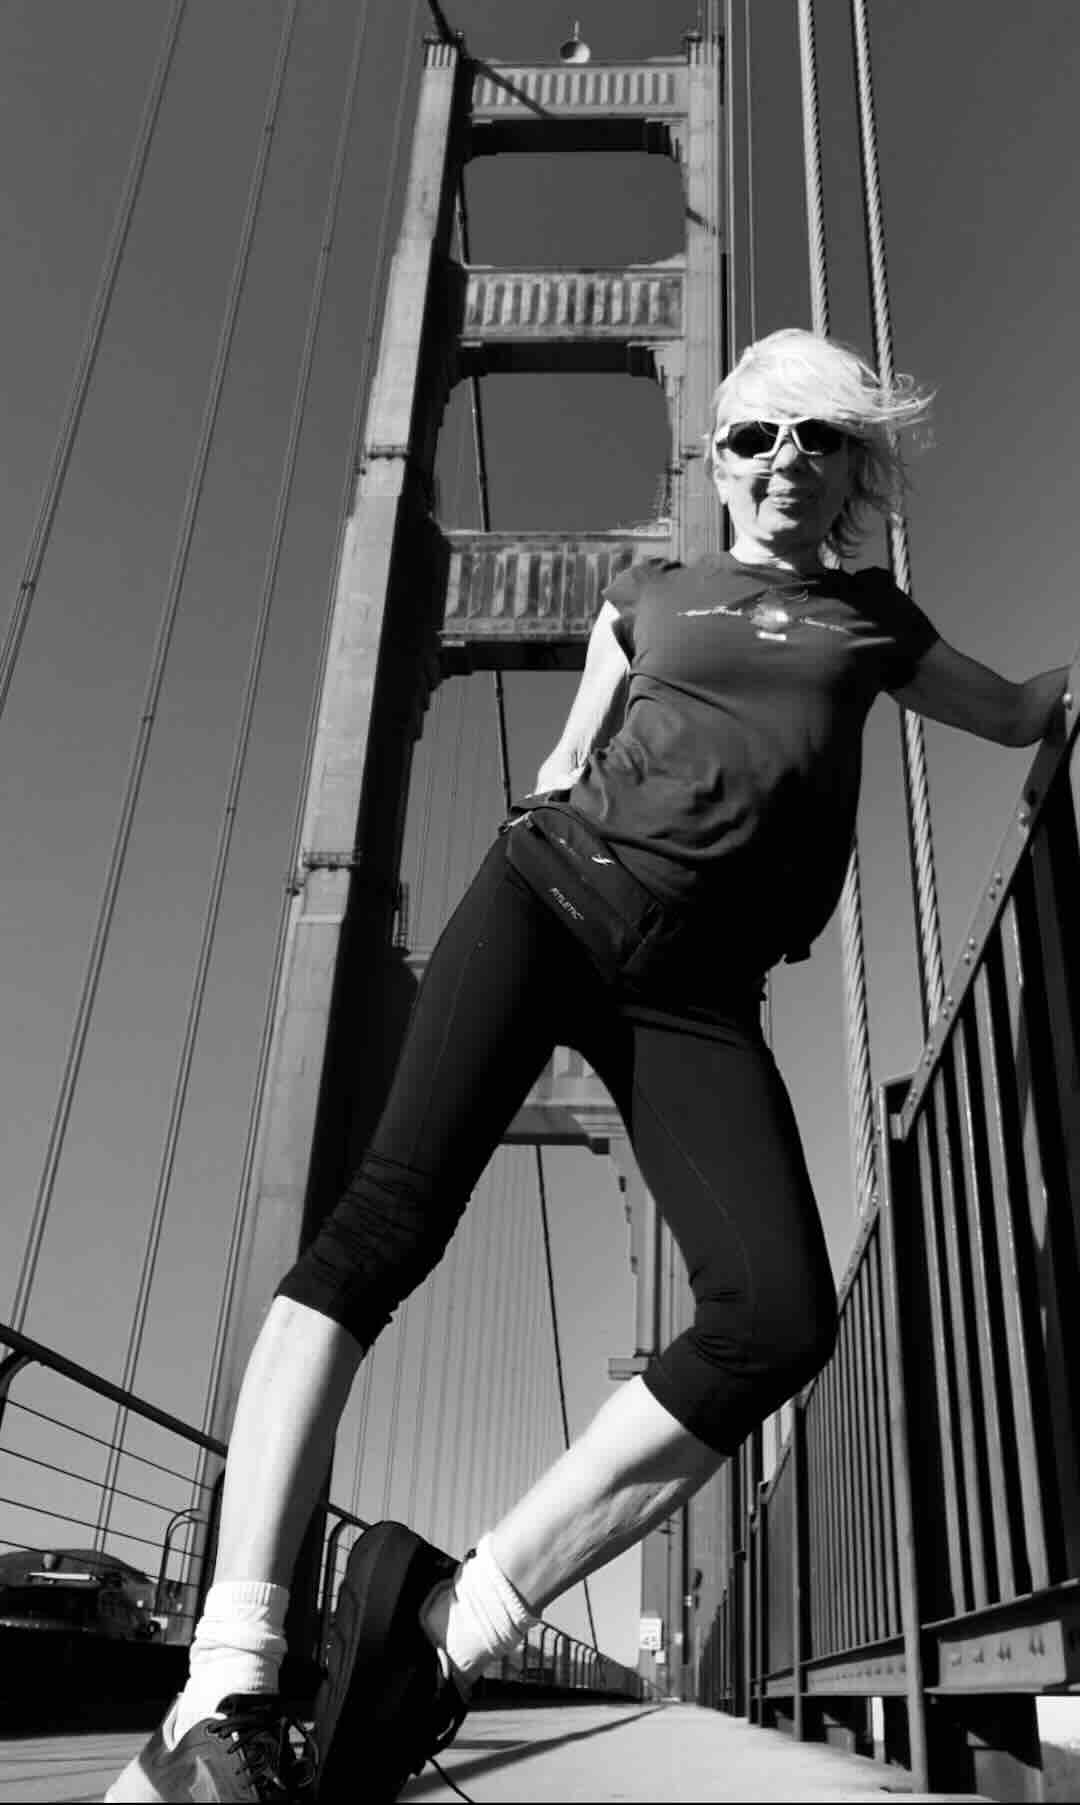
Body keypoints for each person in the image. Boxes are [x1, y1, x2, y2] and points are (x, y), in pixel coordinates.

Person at [107, 328, 1070, 1803]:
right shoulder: (649, 592)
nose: (783, 463)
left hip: (697, 998)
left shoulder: (874, 620)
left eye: (817, 439)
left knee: (776, 1320)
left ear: (854, 467)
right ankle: (224, 1684)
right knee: (381, 1230)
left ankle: (449, 1622)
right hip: (552, 900)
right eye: (753, 436)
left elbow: (1019, 714)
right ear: (719, 461)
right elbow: (566, 760)